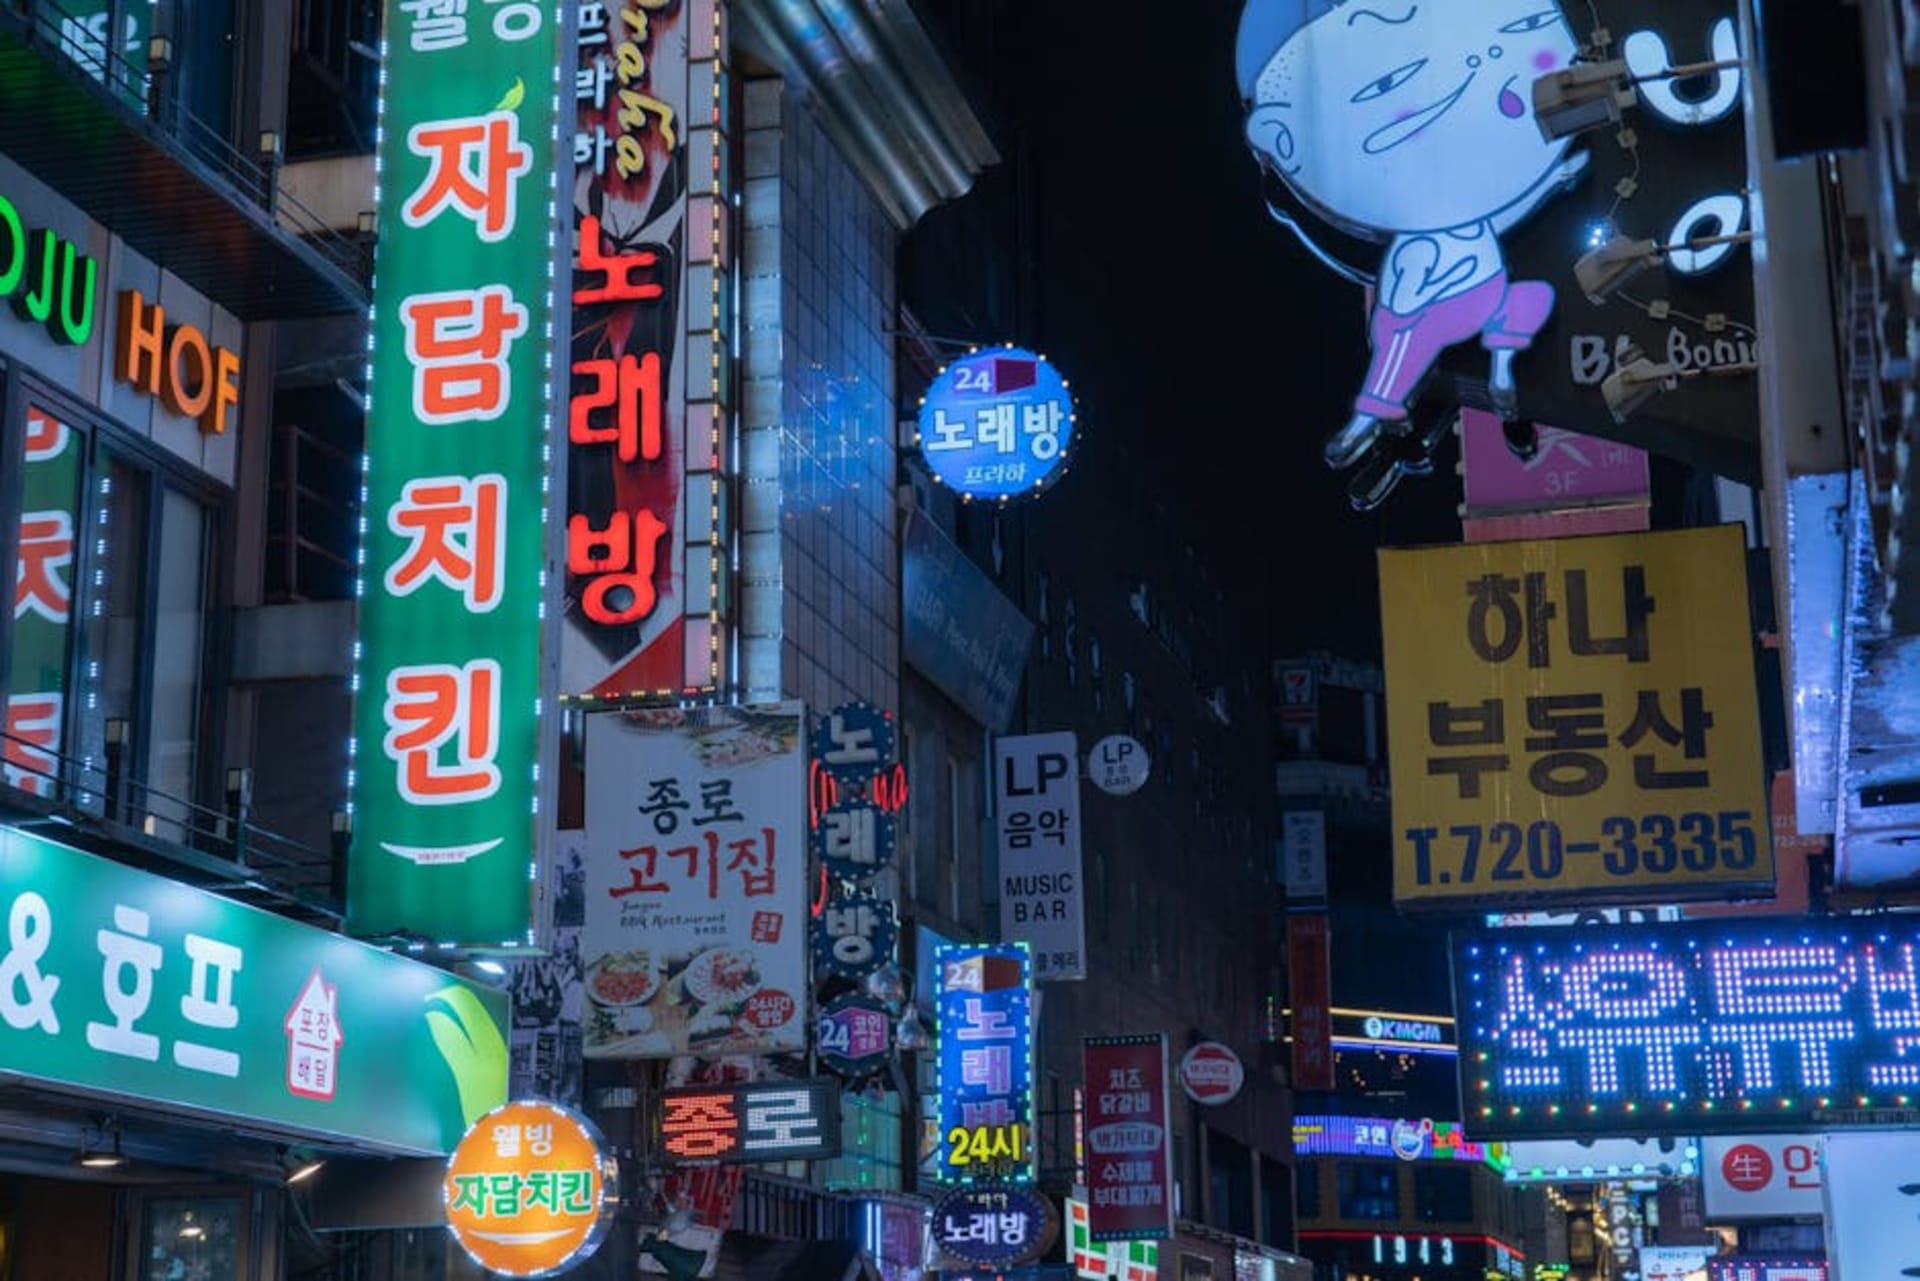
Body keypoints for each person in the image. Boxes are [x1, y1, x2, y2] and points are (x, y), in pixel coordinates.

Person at [1237, 0, 1588, 508]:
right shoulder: (1409, 223)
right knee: (1418, 335)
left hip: (1459, 291)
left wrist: (1553, 180)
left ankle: (1413, 411)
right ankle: (1425, 407)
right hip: (1451, 295)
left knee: (1424, 335)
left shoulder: (1450, 204)